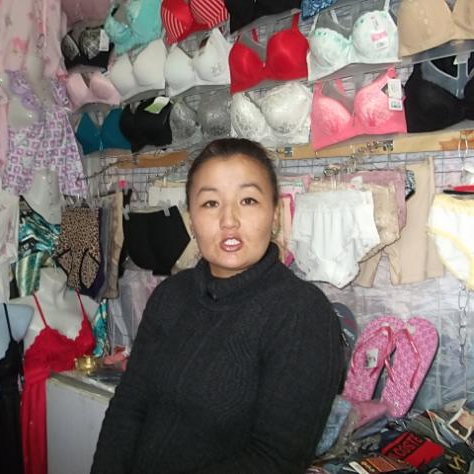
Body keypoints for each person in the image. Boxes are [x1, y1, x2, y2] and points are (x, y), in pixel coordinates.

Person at [91, 138, 344, 473]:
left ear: (275, 214)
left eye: (248, 200)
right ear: (191, 220)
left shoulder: (302, 314)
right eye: (210, 203)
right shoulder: (170, 295)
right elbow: (129, 404)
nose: (229, 220)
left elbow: (275, 459)